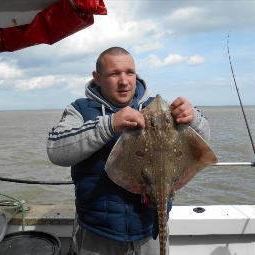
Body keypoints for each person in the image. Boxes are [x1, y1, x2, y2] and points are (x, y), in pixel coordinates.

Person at [47, 47, 210, 255]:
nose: (124, 81)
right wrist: (109, 124)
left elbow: (204, 141)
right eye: (114, 74)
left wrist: (193, 118)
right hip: (97, 232)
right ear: (97, 77)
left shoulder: (158, 109)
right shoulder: (79, 109)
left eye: (130, 72)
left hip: (150, 228)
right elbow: (55, 150)